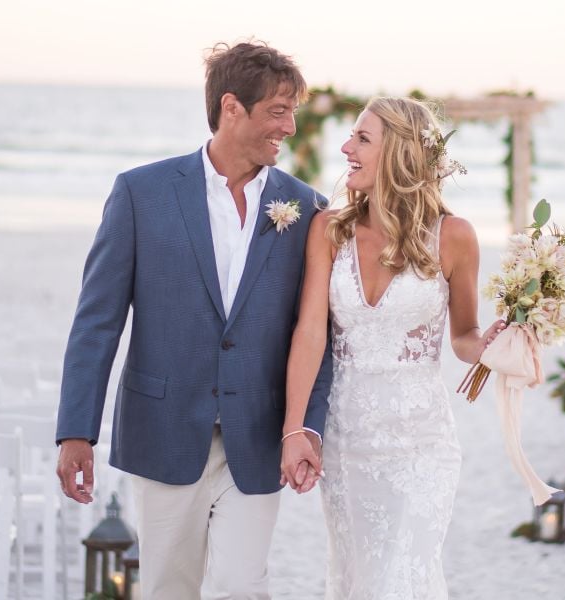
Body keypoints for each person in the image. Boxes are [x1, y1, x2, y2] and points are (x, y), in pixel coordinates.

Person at [55, 41, 332, 599]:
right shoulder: (141, 193)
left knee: (239, 584)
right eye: (279, 110)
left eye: (294, 111)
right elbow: (97, 321)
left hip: (257, 436)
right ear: (232, 107)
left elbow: (319, 332)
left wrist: (307, 426)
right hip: (164, 429)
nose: (291, 125)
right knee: (168, 587)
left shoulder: (307, 209)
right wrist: (76, 431)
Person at [280, 96, 505, 598]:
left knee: (402, 577)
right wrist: (296, 429)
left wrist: (491, 344)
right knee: (357, 577)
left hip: (422, 446)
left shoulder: (456, 237)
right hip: (346, 443)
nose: (346, 147)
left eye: (362, 138)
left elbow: (464, 337)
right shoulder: (329, 230)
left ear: (400, 154)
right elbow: (310, 333)